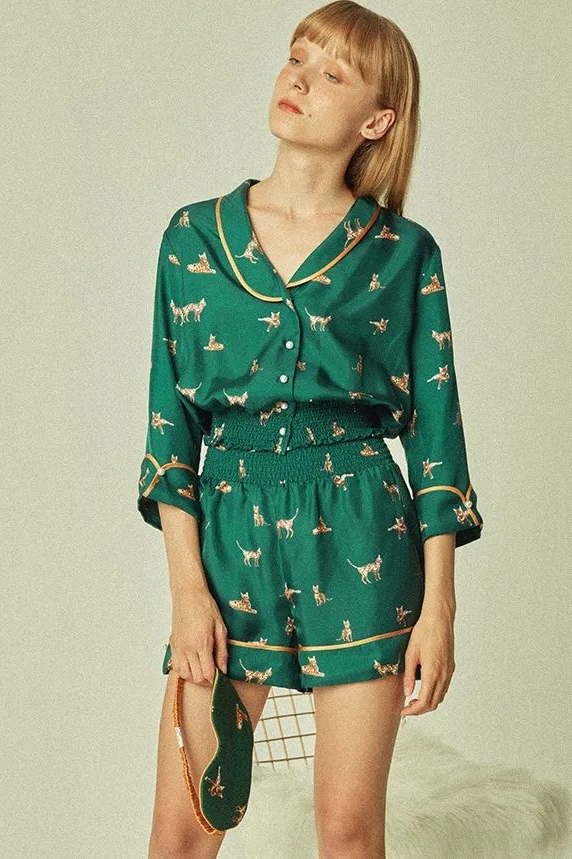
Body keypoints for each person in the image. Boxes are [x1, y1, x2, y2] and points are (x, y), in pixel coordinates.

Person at [138, 2, 484, 856]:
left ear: (376, 120)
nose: (298, 78)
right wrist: (187, 592)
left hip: (361, 524)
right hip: (228, 534)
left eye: (332, 73)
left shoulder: (403, 252)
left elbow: (435, 434)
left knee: (349, 836)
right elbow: (169, 429)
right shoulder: (191, 238)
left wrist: (438, 610)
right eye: (297, 57)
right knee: (183, 834)